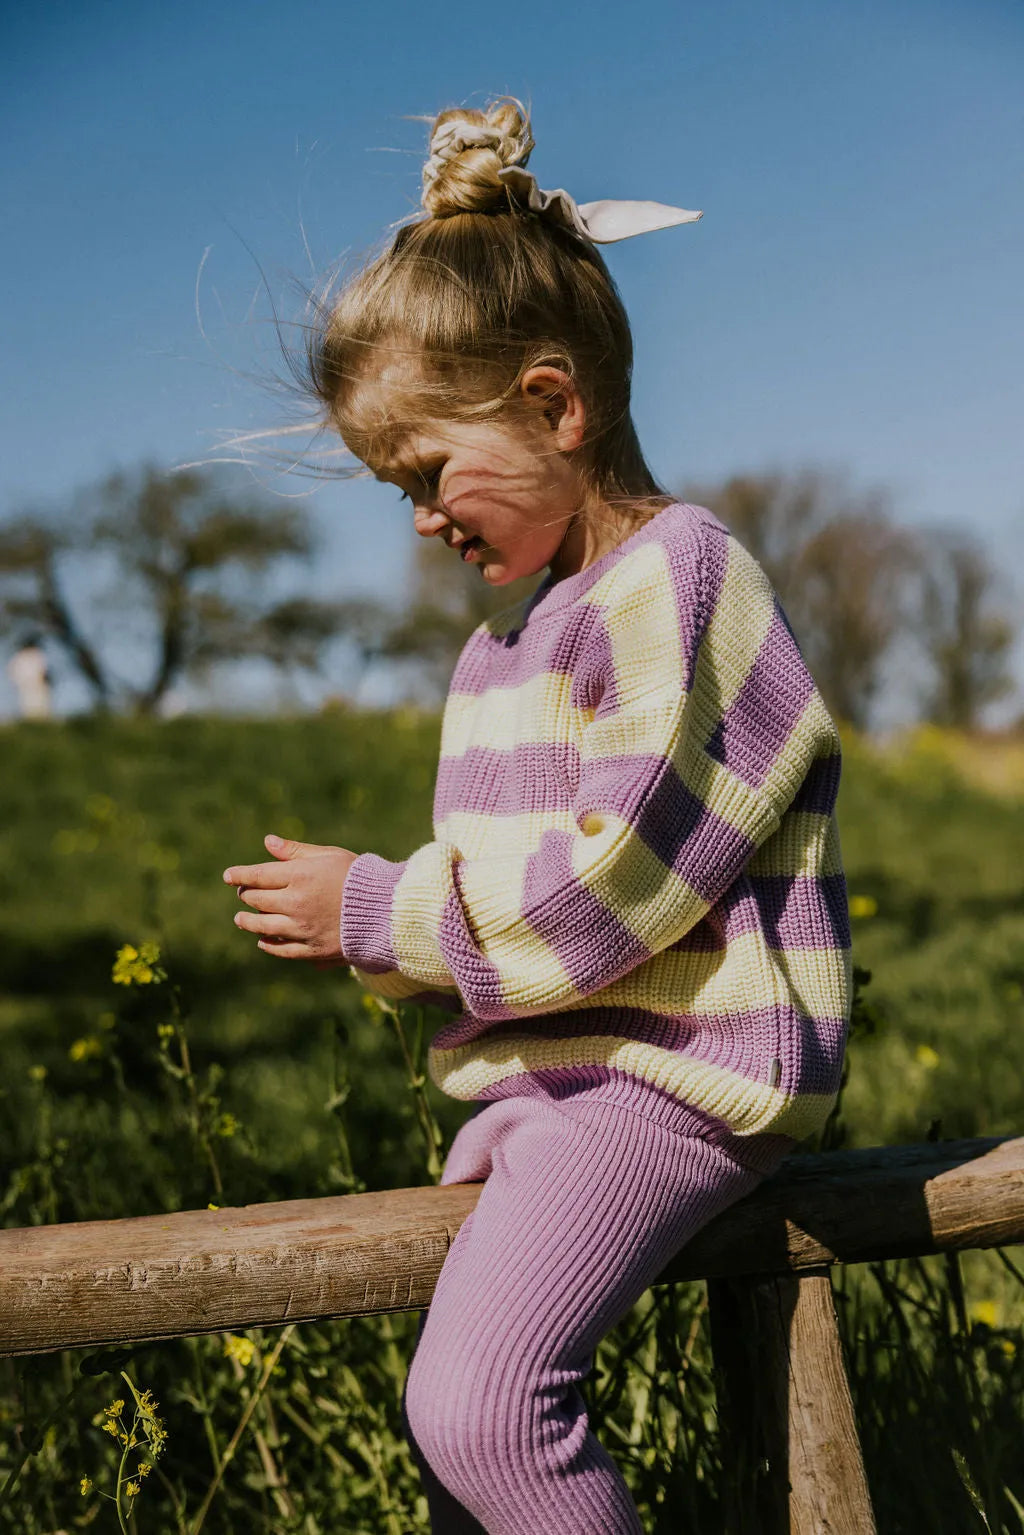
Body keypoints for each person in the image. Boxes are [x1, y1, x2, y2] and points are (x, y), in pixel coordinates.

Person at [223, 98, 851, 1535]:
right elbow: (501, 889)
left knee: (489, 1410)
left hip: (680, 1076)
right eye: (394, 489)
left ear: (557, 407)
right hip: (557, 1080)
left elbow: (616, 881)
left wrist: (380, 910)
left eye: (429, 473)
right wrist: (385, 943)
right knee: (457, 1449)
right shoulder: (503, 645)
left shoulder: (680, 582)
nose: (420, 519)